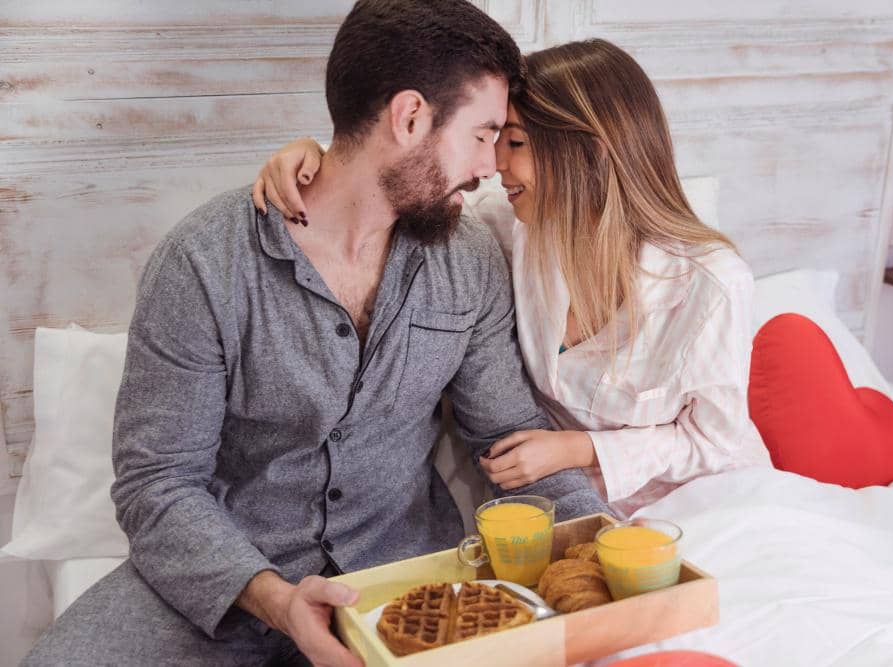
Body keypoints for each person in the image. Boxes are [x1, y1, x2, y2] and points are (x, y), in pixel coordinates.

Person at [23, 3, 608, 666]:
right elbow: (158, 482)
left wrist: (606, 549)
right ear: (409, 117)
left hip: (405, 583)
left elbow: (510, 442)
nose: (489, 165)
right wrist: (274, 598)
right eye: (482, 134)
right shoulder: (203, 262)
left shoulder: (468, 259)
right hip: (222, 585)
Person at [255, 39, 771, 520]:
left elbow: (716, 442)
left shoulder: (710, 283)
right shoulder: (505, 230)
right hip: (573, 504)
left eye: (516, 142)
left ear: (590, 153)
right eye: (496, 139)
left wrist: (582, 448)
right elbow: (401, 184)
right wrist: (318, 157)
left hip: (707, 507)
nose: (495, 163)